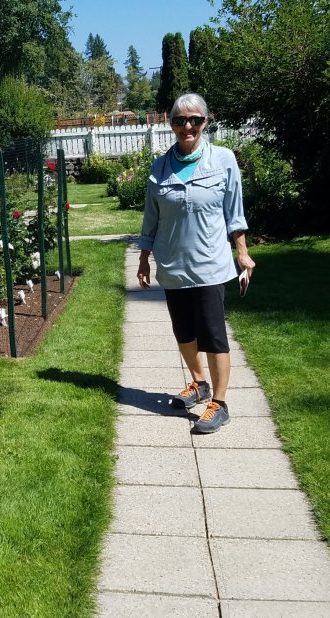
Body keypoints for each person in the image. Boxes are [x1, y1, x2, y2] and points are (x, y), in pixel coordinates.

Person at [136, 92, 255, 434]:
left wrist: (242, 252)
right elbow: (151, 218)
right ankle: (199, 383)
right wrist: (143, 259)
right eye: (179, 120)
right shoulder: (160, 167)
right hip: (172, 265)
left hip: (209, 264)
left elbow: (235, 212)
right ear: (170, 123)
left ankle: (219, 403)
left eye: (194, 120)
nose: (187, 126)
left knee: (213, 335)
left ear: (206, 121)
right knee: (184, 332)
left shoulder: (223, 159)